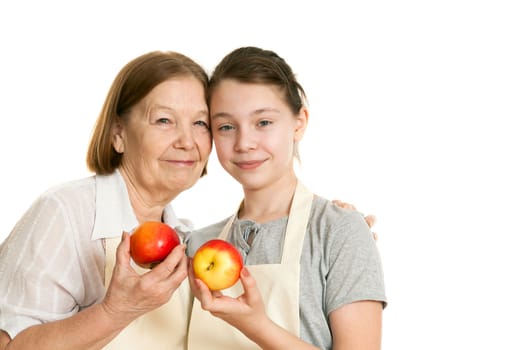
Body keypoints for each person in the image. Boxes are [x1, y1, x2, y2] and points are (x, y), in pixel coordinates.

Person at [0, 50, 212, 349]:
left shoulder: (185, 238)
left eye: (201, 123)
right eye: (164, 120)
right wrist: (115, 312)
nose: (187, 141)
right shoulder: (66, 212)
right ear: (118, 134)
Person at [186, 46, 387, 350]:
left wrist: (258, 327)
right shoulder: (197, 245)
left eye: (263, 122)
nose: (245, 143)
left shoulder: (338, 232)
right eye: (226, 126)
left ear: (299, 122)